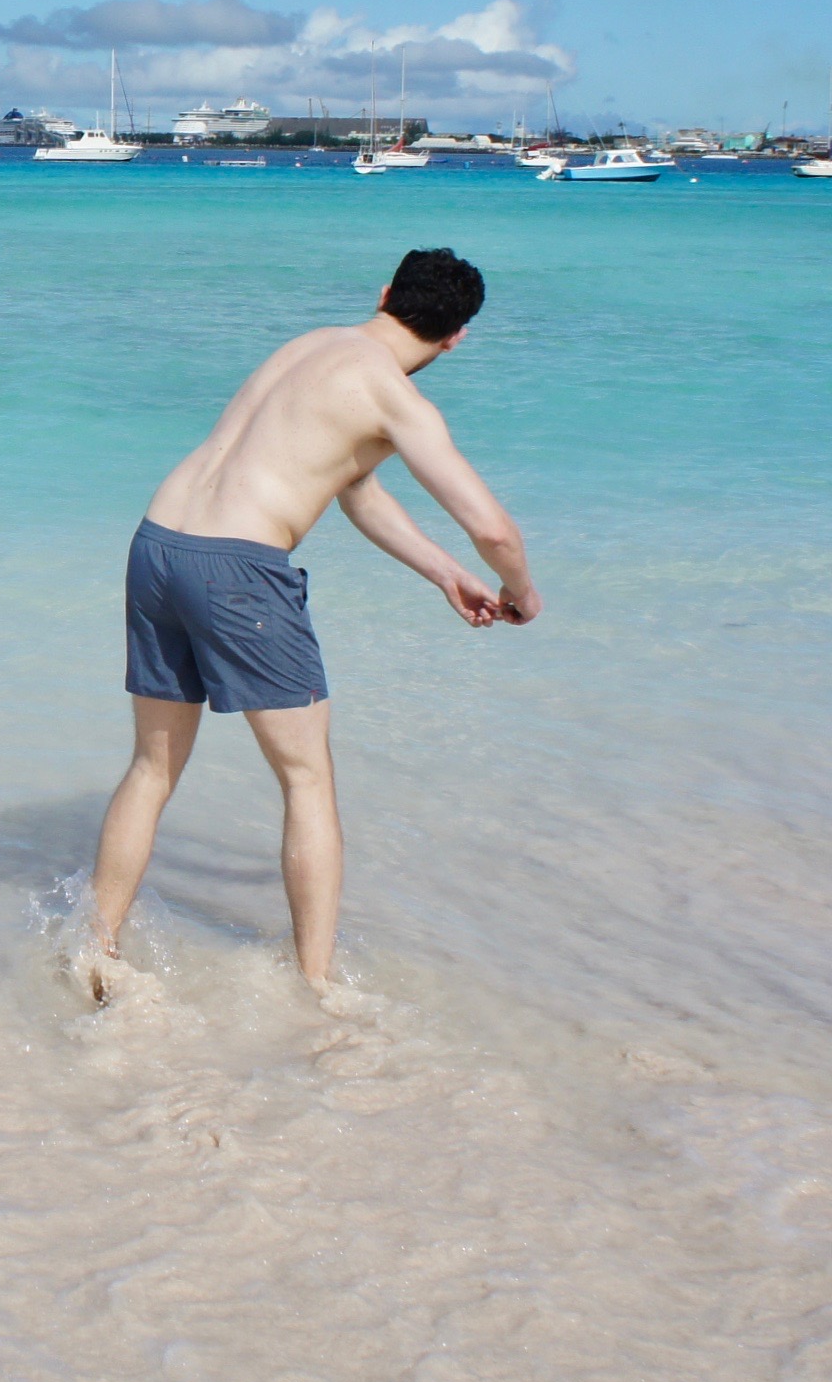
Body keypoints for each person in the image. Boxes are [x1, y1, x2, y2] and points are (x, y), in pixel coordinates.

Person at [85, 246, 536, 996]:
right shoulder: (396, 398)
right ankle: (317, 989)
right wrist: (521, 590)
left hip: (158, 545)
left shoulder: (311, 347)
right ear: (457, 337)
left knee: (152, 768)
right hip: (237, 568)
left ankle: (95, 949)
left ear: (385, 293)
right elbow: (495, 530)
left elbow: (354, 487)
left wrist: (444, 573)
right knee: (307, 780)